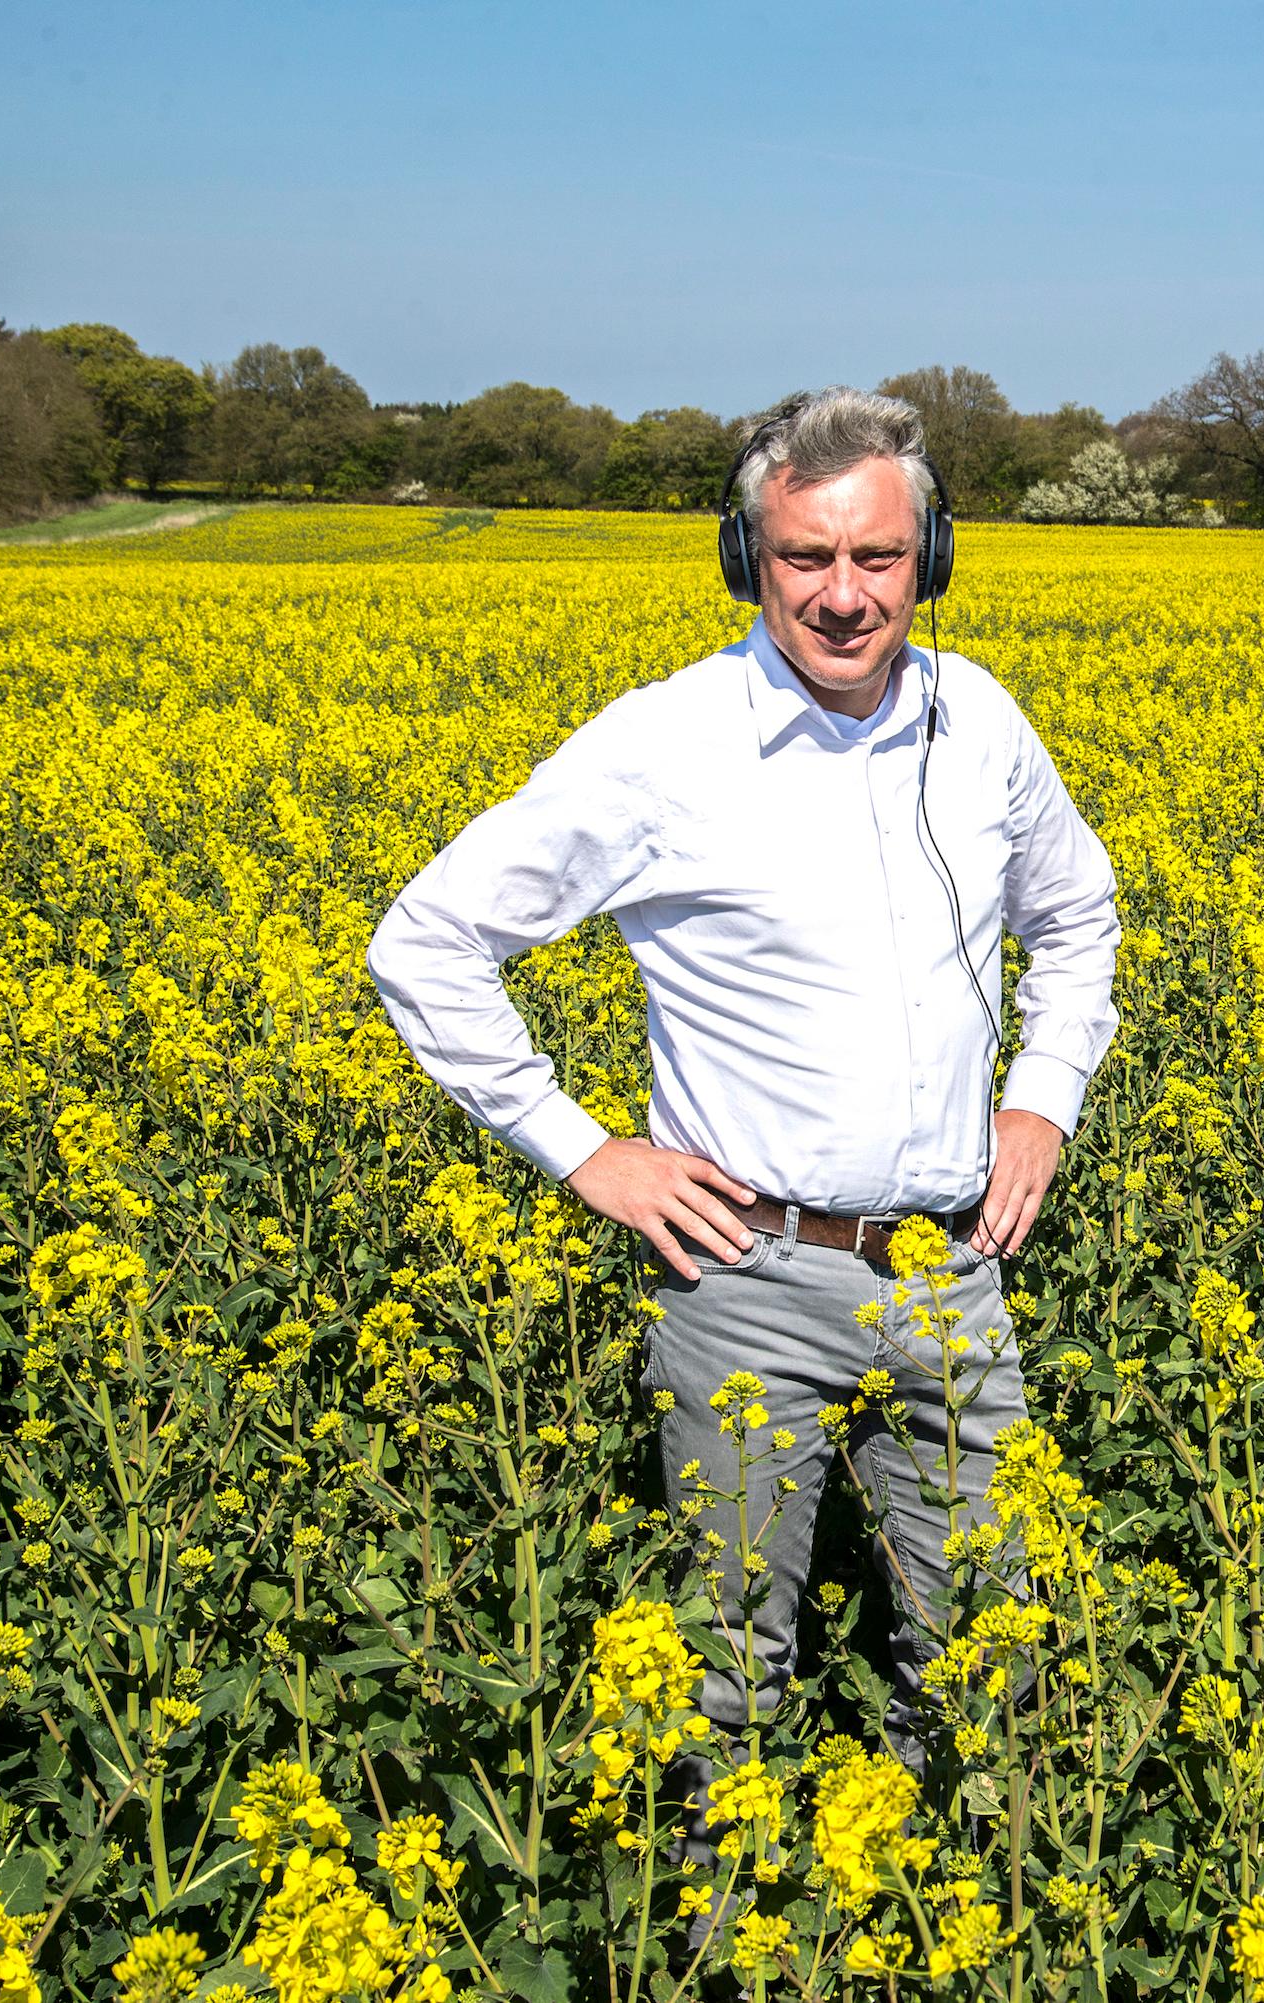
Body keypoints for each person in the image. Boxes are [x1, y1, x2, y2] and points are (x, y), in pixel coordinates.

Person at [365, 385, 1120, 1765]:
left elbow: (1076, 916)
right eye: (806, 559)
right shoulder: (665, 747)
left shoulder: (983, 722)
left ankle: (946, 1935)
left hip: (953, 1276)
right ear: (748, 561)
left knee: (996, 1657)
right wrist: (586, 1152)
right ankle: (730, 1948)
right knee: (730, 1679)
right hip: (748, 1286)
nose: (845, 596)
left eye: (878, 558)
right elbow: (428, 940)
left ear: (929, 558)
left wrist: (1043, 1094)